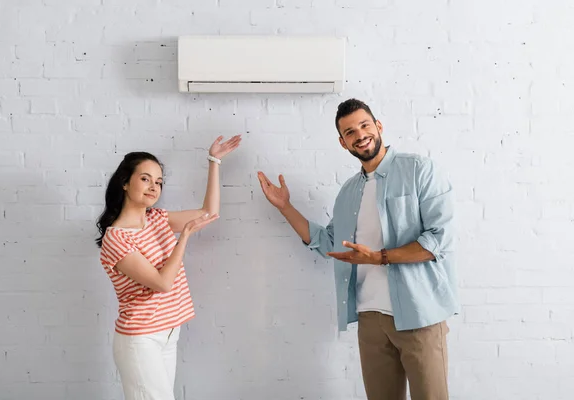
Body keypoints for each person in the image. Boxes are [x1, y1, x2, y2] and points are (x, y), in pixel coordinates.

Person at [257, 98, 457, 400]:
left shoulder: (419, 170)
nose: (360, 134)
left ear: (378, 126)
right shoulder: (349, 192)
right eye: (350, 132)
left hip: (420, 315)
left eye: (364, 125)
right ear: (343, 142)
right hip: (371, 319)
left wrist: (379, 258)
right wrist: (285, 207)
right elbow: (327, 243)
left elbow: (438, 239)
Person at [96, 135, 241, 400]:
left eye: (159, 182)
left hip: (168, 333)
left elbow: (209, 212)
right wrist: (183, 237)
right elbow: (162, 283)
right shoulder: (116, 238)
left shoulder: (157, 219)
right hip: (140, 339)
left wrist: (214, 161)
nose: (154, 186)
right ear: (125, 183)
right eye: (145, 178)